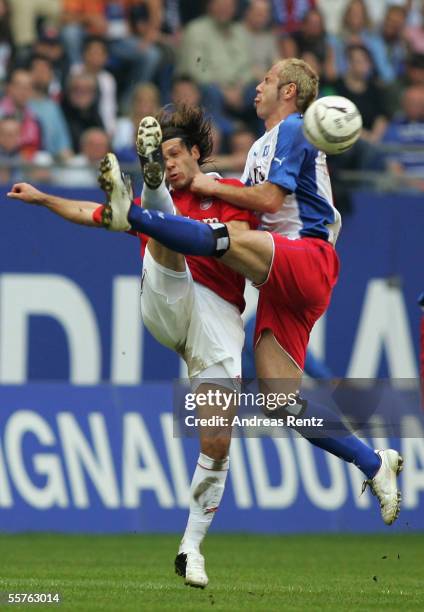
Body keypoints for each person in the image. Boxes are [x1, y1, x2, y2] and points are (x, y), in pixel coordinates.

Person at [100, 58, 404, 529]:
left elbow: (267, 202)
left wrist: (200, 182)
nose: (256, 86)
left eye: (265, 80)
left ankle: (133, 215)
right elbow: (258, 197)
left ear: (288, 91)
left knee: (223, 237)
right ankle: (372, 462)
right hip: (284, 283)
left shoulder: (296, 127)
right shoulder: (265, 143)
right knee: (279, 401)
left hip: (305, 256)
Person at [7, 105, 258, 589]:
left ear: (196, 154)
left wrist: (192, 229)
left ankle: (191, 548)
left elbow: (245, 242)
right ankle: (150, 197)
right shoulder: (168, 203)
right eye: (160, 158)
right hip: (167, 294)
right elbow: (90, 212)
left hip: (218, 319)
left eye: (171, 156)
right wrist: (42, 199)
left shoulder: (227, 194)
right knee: (162, 234)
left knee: (217, 441)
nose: (171, 161)